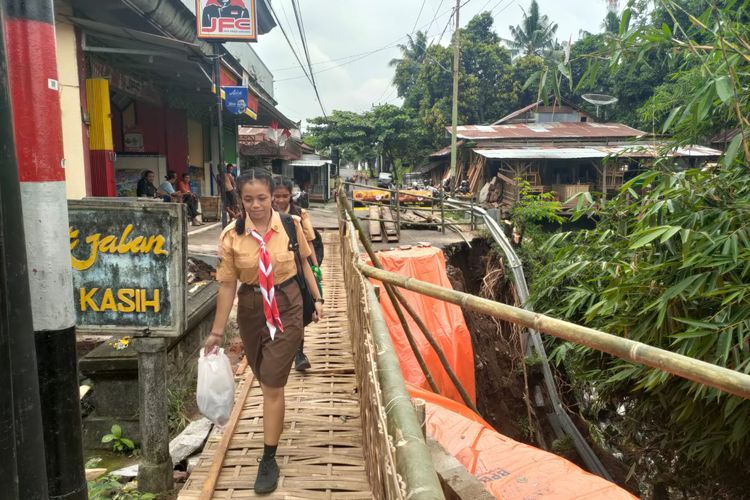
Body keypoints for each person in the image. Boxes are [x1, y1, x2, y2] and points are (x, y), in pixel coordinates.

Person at [204, 168, 324, 494]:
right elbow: (227, 285)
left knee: (272, 380)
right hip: (251, 308)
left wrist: (317, 297)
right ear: (239, 200)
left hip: (287, 303)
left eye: (262, 198)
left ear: (273, 196)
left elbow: (303, 264)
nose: (256, 205)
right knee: (260, 371)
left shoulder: (289, 225)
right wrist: (216, 333)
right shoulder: (231, 235)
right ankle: (271, 435)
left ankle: (268, 457)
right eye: (248, 199)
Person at [272, 177, 321, 372]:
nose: (281, 200)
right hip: (274, 270)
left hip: (298, 268)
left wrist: (316, 267)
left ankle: (298, 353)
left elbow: (308, 242)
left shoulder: (299, 214)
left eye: (285, 196)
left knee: (298, 311)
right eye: (277, 196)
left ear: (291, 195)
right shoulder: (266, 214)